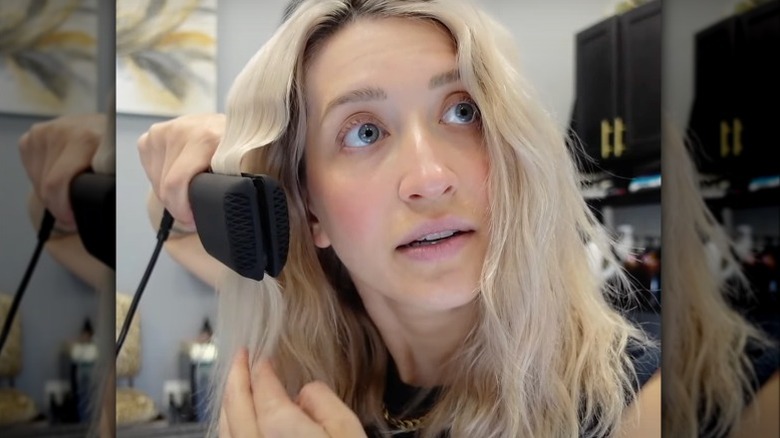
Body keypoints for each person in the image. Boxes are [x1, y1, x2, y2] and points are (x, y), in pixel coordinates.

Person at [137, 1, 661, 437]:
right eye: (364, 132)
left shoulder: (647, 403)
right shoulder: (314, 327)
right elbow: (180, 231)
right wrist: (200, 173)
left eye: (463, 111)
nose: (430, 178)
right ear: (310, 210)